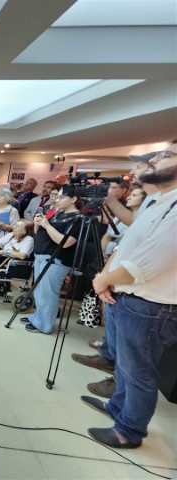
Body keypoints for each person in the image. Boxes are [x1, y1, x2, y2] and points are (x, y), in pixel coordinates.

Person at [83, 142, 177, 449]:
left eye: (168, 155)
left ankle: (129, 431)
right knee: (124, 365)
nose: (157, 159)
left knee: (139, 372)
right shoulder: (159, 201)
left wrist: (103, 280)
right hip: (126, 296)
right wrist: (106, 278)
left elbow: (145, 265)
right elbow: (126, 246)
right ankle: (117, 408)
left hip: (151, 305)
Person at [21, 185, 83, 334]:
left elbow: (66, 242)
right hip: (41, 255)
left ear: (73, 199)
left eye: (62, 197)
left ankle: (45, 325)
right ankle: (38, 317)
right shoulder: (58, 213)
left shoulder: (78, 218)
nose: (57, 199)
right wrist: (38, 224)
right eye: (57, 196)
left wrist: (47, 225)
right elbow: (40, 234)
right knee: (39, 290)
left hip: (56, 259)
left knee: (48, 293)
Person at [100, 186, 146, 258]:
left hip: (121, 255)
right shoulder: (120, 216)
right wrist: (100, 254)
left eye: (134, 195)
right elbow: (107, 236)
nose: (128, 198)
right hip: (106, 253)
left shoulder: (142, 219)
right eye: (130, 195)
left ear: (145, 200)